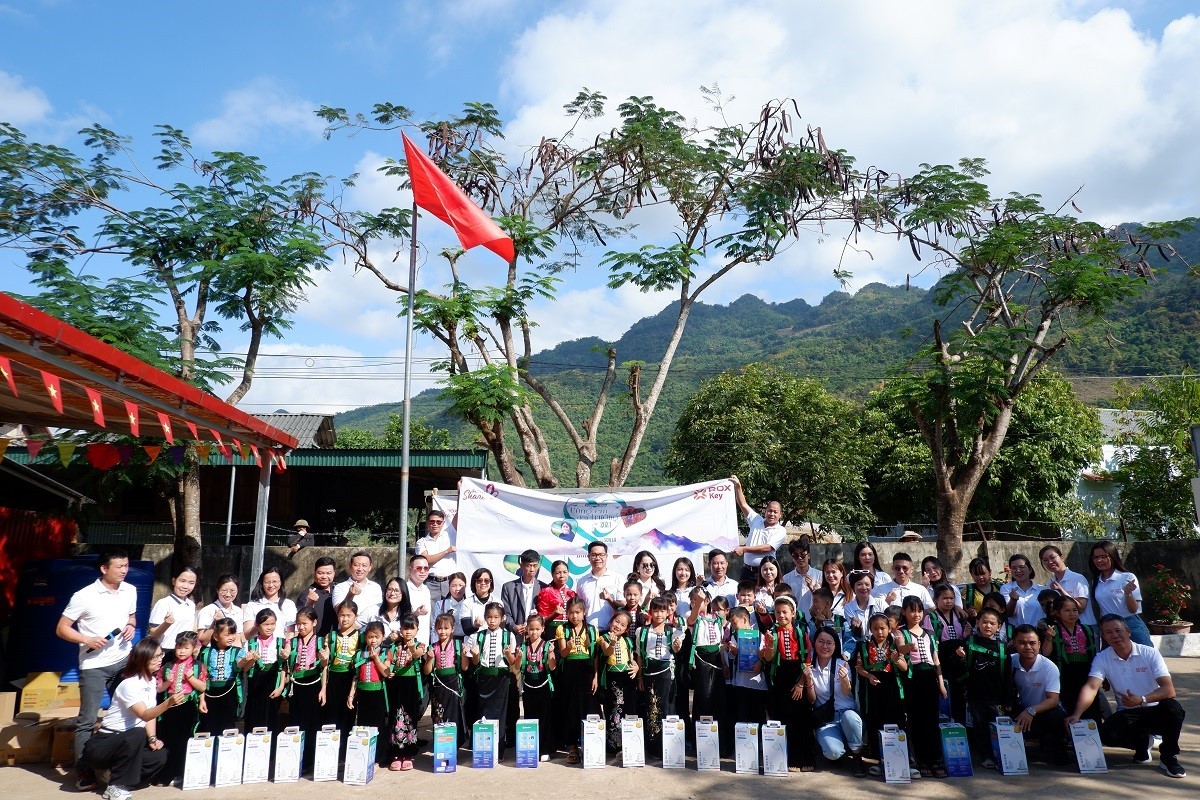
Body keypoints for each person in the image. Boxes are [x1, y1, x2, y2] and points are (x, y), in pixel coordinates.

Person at [1066, 614, 1186, 779]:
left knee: (1173, 709)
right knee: (1107, 733)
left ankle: (1169, 757)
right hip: (1128, 712)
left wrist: (1142, 699)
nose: (1114, 635)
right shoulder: (1102, 658)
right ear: (1104, 637)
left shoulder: (1149, 653)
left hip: (1155, 708)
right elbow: (1091, 687)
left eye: (1118, 630)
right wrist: (1077, 714)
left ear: (1128, 632)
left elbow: (1169, 690)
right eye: (1108, 633)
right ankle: (1143, 743)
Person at [57, 549, 138, 791]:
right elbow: (62, 628)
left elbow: (132, 617)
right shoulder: (84, 595)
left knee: (128, 713)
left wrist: (131, 626)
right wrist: (87, 639)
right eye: (119, 566)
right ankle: (83, 770)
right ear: (104, 569)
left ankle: (120, 764)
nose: (124, 570)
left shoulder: (130, 590)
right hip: (93, 666)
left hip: (124, 660)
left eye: (126, 565)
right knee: (88, 720)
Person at [80, 638, 189, 800]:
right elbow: (144, 715)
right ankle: (115, 787)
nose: (160, 659)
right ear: (143, 659)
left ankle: (113, 775)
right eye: (156, 657)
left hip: (128, 743)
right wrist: (168, 703)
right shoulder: (129, 684)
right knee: (137, 733)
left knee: (159, 756)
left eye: (161, 655)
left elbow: (151, 713)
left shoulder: (151, 681)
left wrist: (152, 738)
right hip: (103, 745)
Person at [760, 595, 816, 771]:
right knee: (782, 716)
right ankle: (787, 758)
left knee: (801, 718)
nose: (781, 615)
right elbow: (768, 658)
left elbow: (807, 660)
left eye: (785, 612)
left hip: (797, 675)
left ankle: (805, 759)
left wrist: (800, 683)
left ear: (793, 613)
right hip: (779, 677)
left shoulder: (801, 634)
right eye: (777, 612)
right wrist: (769, 644)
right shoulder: (772, 633)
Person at [897, 595, 947, 777]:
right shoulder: (901, 632)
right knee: (916, 719)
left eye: (919, 610)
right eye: (912, 610)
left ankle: (935, 760)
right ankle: (921, 760)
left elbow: (936, 659)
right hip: (912, 677)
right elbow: (900, 648)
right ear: (904, 611)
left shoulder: (929, 633)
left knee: (931, 720)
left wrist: (940, 683)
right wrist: (908, 647)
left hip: (930, 677)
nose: (916, 614)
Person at [1009, 624, 1070, 765]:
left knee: (1055, 714)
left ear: (1039, 644)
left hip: (1042, 711)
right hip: (1019, 710)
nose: (1028, 647)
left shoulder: (1049, 667)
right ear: (1015, 644)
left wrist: (1030, 711)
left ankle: (1060, 752)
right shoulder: (1009, 661)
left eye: (1032, 643)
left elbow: (1053, 700)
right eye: (1022, 643)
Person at [501, 549, 544, 745]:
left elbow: (545, 614)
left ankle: (537, 732)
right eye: (528, 566)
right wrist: (514, 626)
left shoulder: (543, 588)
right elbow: (505, 613)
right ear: (521, 565)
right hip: (516, 641)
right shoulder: (508, 587)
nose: (532, 569)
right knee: (513, 685)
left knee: (536, 687)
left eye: (535, 566)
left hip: (536, 643)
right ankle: (511, 734)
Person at [810, 627, 865, 776]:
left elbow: (847, 692)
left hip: (847, 714)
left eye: (830, 643)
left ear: (836, 646)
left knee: (850, 717)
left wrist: (844, 680)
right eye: (821, 642)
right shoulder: (810, 665)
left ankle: (857, 756)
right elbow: (812, 699)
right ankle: (843, 750)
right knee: (832, 753)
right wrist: (807, 680)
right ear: (814, 643)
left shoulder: (842, 664)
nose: (825, 646)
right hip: (827, 719)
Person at [959, 607, 1009, 769]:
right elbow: (961, 669)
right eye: (984, 622)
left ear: (999, 626)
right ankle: (985, 755)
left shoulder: (1003, 648)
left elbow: (1008, 676)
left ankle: (1002, 755)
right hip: (975, 695)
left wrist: (1008, 698)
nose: (988, 626)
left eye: (992, 623)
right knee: (979, 727)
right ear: (977, 623)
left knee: (997, 726)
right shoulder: (969, 644)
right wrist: (959, 658)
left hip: (996, 696)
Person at [467, 602, 519, 758]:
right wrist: (474, 654)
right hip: (484, 677)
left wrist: (508, 653)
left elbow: (512, 662)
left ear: (502, 618)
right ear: (485, 618)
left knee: (500, 713)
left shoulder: (508, 635)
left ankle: (498, 749)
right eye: (489, 617)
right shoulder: (478, 636)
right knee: (483, 711)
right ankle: (484, 748)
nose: (492, 621)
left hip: (501, 677)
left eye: (496, 617)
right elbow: (475, 662)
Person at [855, 613, 905, 767]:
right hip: (871, 687)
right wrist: (868, 675)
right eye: (875, 629)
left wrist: (897, 659)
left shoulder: (896, 645)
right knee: (873, 719)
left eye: (883, 628)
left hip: (891, 686)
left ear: (889, 628)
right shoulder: (863, 646)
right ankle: (875, 758)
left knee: (892, 718)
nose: (879, 632)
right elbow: (858, 667)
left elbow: (905, 668)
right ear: (870, 629)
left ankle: (896, 757)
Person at [154, 631, 203, 786]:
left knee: (184, 741)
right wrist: (168, 683)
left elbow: (203, 686)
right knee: (168, 740)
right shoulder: (167, 666)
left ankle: (181, 773)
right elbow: (159, 689)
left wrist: (190, 678)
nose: (182, 651)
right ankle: (165, 774)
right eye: (179, 647)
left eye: (186, 648)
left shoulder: (197, 666)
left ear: (193, 649)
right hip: (169, 707)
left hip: (188, 707)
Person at [556, 597, 598, 764]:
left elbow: (594, 655)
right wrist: (569, 646)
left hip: (587, 672)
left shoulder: (592, 630)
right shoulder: (562, 629)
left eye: (578, 612)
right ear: (567, 614)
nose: (574, 616)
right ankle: (572, 747)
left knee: (589, 707)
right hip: (569, 672)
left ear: (584, 612)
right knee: (570, 709)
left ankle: (590, 745)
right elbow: (563, 654)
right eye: (571, 613)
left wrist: (595, 676)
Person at [638, 596, 682, 757]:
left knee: (664, 707)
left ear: (668, 613)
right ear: (650, 612)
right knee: (650, 707)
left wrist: (677, 647)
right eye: (655, 610)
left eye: (662, 610)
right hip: (648, 671)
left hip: (665, 671)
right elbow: (640, 655)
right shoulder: (642, 631)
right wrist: (640, 677)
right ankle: (651, 746)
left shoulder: (673, 630)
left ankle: (665, 746)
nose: (658, 614)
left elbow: (676, 650)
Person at [1087, 541, 1152, 646]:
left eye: (1103, 556)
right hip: (1109, 627)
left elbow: (1134, 609)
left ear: (1112, 556)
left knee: (1145, 657)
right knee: (1111, 659)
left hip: (1130, 624)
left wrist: (1127, 594)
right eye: (1095, 557)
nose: (1099, 560)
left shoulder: (1127, 577)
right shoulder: (1096, 582)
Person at [197, 618, 253, 735]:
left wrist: (248, 660)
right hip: (210, 692)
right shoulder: (206, 652)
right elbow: (202, 678)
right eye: (227, 634)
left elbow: (242, 669)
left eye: (233, 633)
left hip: (229, 692)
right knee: (208, 724)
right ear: (216, 637)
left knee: (227, 725)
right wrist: (202, 700)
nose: (231, 637)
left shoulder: (238, 651)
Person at [320, 600, 361, 760]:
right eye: (342, 615)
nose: (345, 619)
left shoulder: (360, 636)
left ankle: (344, 753)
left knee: (348, 714)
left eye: (349, 616)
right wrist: (323, 687)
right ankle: (330, 752)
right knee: (331, 714)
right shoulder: (331, 636)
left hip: (350, 678)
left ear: (355, 616)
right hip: (333, 679)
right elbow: (325, 666)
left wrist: (354, 689)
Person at [349, 621, 392, 768]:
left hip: (378, 694)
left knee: (379, 725)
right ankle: (365, 755)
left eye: (376, 637)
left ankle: (380, 756)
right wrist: (351, 695)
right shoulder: (360, 653)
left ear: (382, 637)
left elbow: (386, 673)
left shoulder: (385, 652)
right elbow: (355, 676)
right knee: (363, 725)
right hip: (363, 694)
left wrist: (376, 659)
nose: (373, 640)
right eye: (370, 637)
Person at [287, 608, 326, 772]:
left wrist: (323, 688)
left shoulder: (320, 641)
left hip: (314, 683)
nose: (301, 627)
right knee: (296, 721)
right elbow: (287, 665)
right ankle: (296, 759)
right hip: (296, 684)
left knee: (312, 722)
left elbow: (325, 667)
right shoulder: (293, 642)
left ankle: (310, 760)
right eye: (299, 624)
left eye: (305, 623)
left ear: (314, 622)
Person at [387, 615, 427, 770]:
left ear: (417, 630)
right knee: (396, 718)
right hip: (396, 684)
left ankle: (409, 754)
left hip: (411, 685)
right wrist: (388, 671)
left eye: (411, 628)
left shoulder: (420, 645)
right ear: (400, 629)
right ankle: (396, 754)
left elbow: (417, 655)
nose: (408, 631)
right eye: (405, 628)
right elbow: (388, 662)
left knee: (410, 718)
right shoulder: (394, 646)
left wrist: (411, 648)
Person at [730, 475, 789, 580]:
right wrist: (738, 487)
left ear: (780, 515)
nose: (772, 514)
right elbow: (743, 504)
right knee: (744, 596)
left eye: (775, 512)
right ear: (765, 511)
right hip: (747, 571)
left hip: (765, 573)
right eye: (770, 511)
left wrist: (743, 549)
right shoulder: (756, 520)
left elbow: (767, 548)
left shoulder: (780, 530)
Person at [597, 610, 640, 752]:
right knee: (614, 709)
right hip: (612, 678)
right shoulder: (603, 638)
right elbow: (608, 652)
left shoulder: (627, 640)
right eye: (616, 621)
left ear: (626, 629)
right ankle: (614, 746)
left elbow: (631, 658)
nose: (618, 626)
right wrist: (613, 643)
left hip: (627, 678)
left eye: (622, 625)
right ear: (611, 620)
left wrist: (636, 666)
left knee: (628, 707)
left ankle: (630, 744)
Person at [424, 613, 467, 747]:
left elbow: (465, 667)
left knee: (454, 714)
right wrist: (430, 659)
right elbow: (427, 671)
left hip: (453, 683)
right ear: (435, 629)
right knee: (438, 714)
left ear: (452, 629)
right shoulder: (432, 647)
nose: (443, 631)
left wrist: (465, 655)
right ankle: (441, 744)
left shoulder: (458, 645)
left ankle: (454, 745)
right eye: (440, 628)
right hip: (438, 685)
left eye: (446, 628)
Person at [242, 608, 288, 732]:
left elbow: (284, 666)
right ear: (257, 625)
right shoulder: (251, 643)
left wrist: (280, 687)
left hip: (273, 681)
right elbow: (245, 669)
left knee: (271, 716)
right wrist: (252, 660)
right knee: (254, 714)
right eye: (266, 624)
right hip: (255, 683)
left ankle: (270, 748)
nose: (270, 627)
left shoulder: (280, 642)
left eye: (272, 624)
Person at [518, 614, 556, 761]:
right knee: (529, 717)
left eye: (537, 629)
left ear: (543, 629)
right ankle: (531, 748)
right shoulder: (523, 646)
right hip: (528, 685)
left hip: (543, 684)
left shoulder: (547, 646)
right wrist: (519, 657)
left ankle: (545, 749)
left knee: (545, 718)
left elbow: (552, 667)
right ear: (527, 629)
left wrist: (552, 655)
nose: (534, 632)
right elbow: (516, 666)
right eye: (531, 629)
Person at [147, 565, 197, 662]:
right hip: (166, 652)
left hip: (185, 653)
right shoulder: (163, 603)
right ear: (174, 581)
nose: (186, 586)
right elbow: (153, 633)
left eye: (191, 583)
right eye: (182, 581)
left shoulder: (191, 605)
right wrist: (166, 623)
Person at [1038, 544, 1094, 625]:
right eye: (1045, 560)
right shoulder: (1049, 583)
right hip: (1064, 630)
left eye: (1052, 557)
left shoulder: (1078, 579)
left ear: (1061, 557)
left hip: (1085, 627)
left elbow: (1081, 608)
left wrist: (1061, 591)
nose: (1050, 562)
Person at [575, 540, 623, 631]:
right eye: (594, 555)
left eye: (601, 555)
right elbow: (580, 608)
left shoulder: (618, 578)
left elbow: (623, 607)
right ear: (588, 557)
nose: (598, 558)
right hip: (589, 633)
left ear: (606, 556)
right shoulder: (582, 581)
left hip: (612, 633)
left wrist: (610, 599)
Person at [415, 509, 457, 606]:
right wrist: (447, 551)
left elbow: (459, 515)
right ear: (427, 523)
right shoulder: (422, 542)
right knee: (432, 616)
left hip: (450, 582)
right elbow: (426, 560)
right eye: (432, 522)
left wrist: (461, 494)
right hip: (431, 583)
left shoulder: (450, 533)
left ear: (443, 523)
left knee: (451, 614)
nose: (435, 524)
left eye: (438, 522)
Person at [242, 567, 297, 640]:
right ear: (262, 583)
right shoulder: (253, 605)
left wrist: (286, 647)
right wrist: (260, 623)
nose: (271, 585)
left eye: (274, 581)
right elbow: (247, 635)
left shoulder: (289, 605)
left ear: (280, 583)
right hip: (257, 648)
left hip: (280, 647)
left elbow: (291, 633)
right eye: (267, 582)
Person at [332, 551, 383, 627]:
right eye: (356, 565)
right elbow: (338, 611)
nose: (360, 569)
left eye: (364, 565)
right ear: (350, 566)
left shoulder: (376, 587)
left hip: (372, 633)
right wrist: (350, 595)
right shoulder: (340, 587)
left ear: (370, 567)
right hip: (349, 632)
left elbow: (379, 610)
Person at [196, 574, 244, 646]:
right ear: (217, 590)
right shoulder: (207, 610)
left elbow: (237, 638)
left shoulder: (239, 611)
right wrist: (214, 623)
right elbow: (202, 641)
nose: (228, 594)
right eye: (224, 590)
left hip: (231, 654)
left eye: (232, 591)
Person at [297, 556, 338, 637]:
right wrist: (309, 603)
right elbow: (300, 620)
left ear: (334, 573)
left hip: (336, 640)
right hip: (316, 641)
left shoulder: (338, 591)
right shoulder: (306, 594)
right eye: (320, 573)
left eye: (328, 573)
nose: (324, 576)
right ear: (314, 572)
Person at [1001, 554, 1045, 627]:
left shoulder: (1041, 589)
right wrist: (1013, 600)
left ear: (1030, 569)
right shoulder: (1006, 588)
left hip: (1039, 634)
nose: (1018, 570)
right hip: (1017, 634)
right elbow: (1008, 613)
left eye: (1022, 567)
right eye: (1014, 568)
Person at [535, 560, 575, 639]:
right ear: (552, 574)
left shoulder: (572, 593)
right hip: (552, 633)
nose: (562, 575)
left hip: (569, 633)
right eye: (558, 573)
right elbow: (541, 621)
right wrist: (554, 615)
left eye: (565, 572)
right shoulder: (546, 592)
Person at [781, 539, 821, 614]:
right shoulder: (786, 579)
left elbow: (824, 599)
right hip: (796, 620)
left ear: (808, 556)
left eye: (802, 555)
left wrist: (812, 589)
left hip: (815, 619)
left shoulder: (820, 575)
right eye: (796, 556)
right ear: (792, 558)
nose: (799, 558)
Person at [963, 557, 1002, 625]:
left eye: (983, 573)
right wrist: (969, 614)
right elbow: (964, 612)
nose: (980, 577)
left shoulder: (1000, 588)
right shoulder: (967, 591)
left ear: (990, 572)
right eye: (976, 574)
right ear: (971, 574)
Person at [405, 554, 433, 646]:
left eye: (426, 568)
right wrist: (416, 613)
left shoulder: (426, 589)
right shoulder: (404, 589)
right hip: (408, 641)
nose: (422, 571)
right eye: (419, 568)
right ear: (410, 569)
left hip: (424, 641)